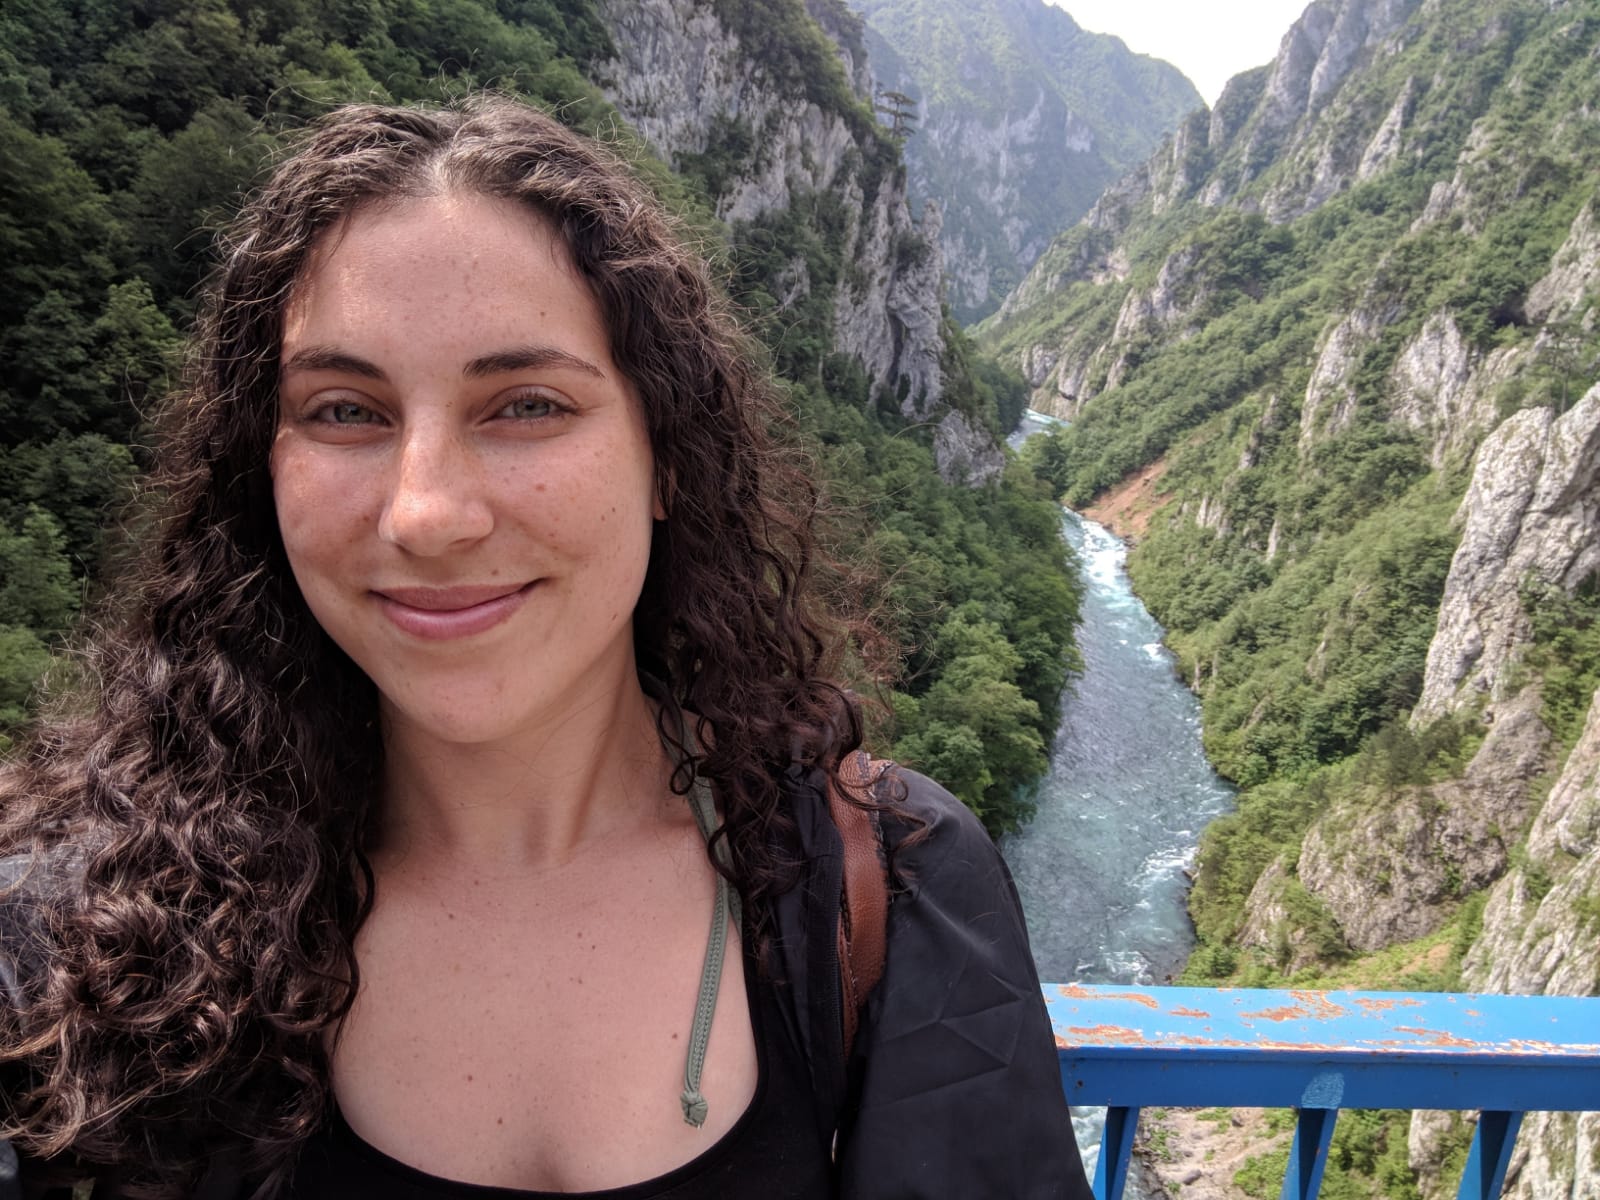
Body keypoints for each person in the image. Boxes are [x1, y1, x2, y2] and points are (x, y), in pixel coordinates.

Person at [0, 98, 1091, 1199]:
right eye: (342, 410)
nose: (425, 513)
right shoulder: (84, 940)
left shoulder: (884, 888)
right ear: (262, 467)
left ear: (666, 456)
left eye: (524, 404)